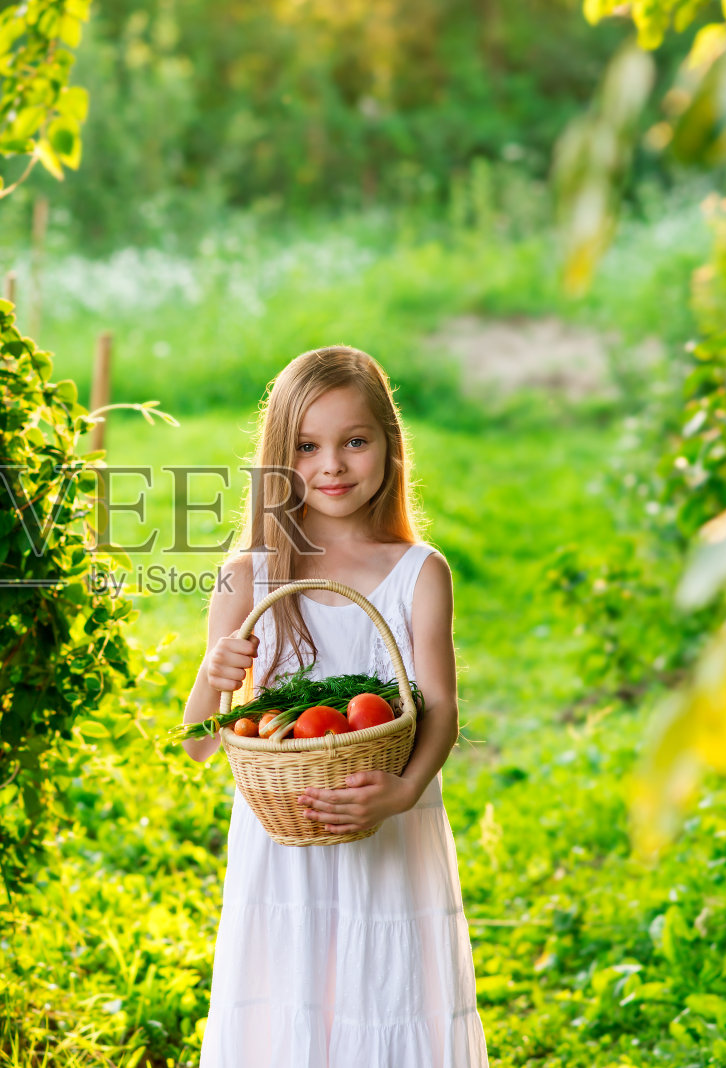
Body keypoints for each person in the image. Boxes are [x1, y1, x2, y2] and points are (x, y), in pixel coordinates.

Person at [179, 345, 489, 1067]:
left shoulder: (418, 572)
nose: (333, 466)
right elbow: (200, 742)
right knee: (292, 1004)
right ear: (278, 459)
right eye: (308, 446)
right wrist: (212, 673)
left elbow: (438, 708)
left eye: (355, 441)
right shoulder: (248, 575)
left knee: (386, 993)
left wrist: (403, 792)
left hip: (387, 826)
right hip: (284, 850)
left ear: (390, 444)